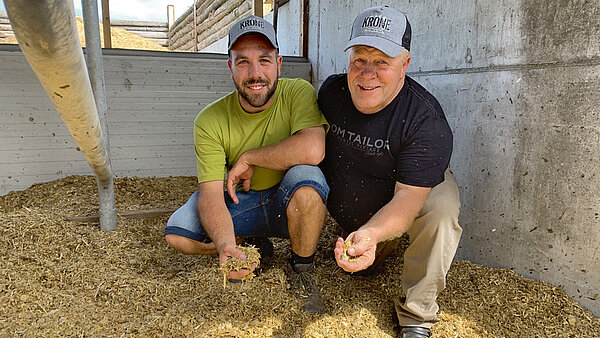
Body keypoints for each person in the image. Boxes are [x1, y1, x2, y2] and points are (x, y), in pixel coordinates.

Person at [164, 15, 329, 314]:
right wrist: (225, 243)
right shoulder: (209, 119)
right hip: (245, 202)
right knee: (178, 233)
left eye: (264, 60)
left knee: (308, 177)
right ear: (230, 67)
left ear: (279, 64)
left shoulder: (297, 93)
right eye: (243, 62)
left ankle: (302, 269)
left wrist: (250, 157)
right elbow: (212, 193)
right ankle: (249, 247)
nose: (255, 73)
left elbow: (314, 148)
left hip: (286, 201)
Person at [318, 6, 462, 337]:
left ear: (404, 65)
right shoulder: (331, 93)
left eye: (382, 61)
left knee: (441, 210)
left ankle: (417, 315)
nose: (367, 73)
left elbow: (409, 197)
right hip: (359, 200)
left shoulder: (426, 121)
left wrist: (370, 235)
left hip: (406, 191)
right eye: (359, 59)